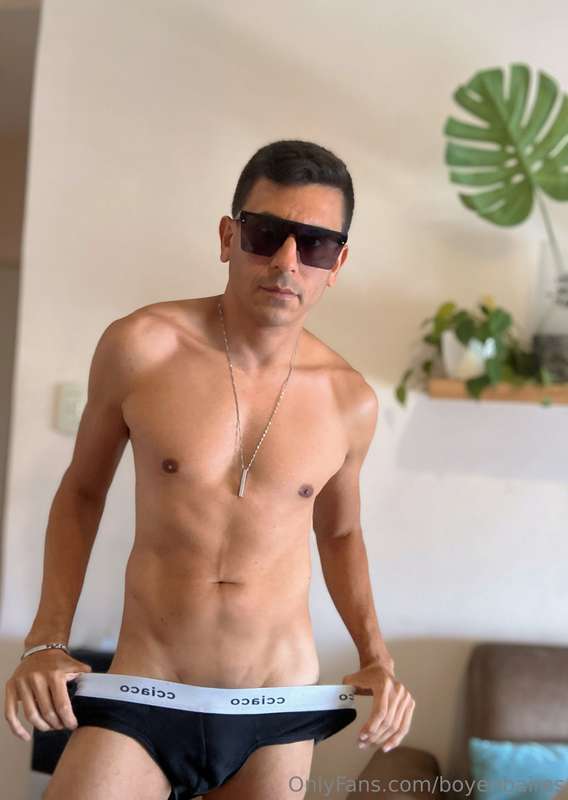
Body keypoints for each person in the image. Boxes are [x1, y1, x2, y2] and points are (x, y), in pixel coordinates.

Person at [3, 139, 415, 800]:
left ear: (337, 262)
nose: (286, 261)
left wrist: (376, 658)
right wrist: (45, 641)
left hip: (275, 705)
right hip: (147, 686)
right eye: (266, 234)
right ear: (229, 236)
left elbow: (340, 533)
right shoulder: (141, 347)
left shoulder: (349, 399)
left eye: (314, 244)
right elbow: (81, 491)